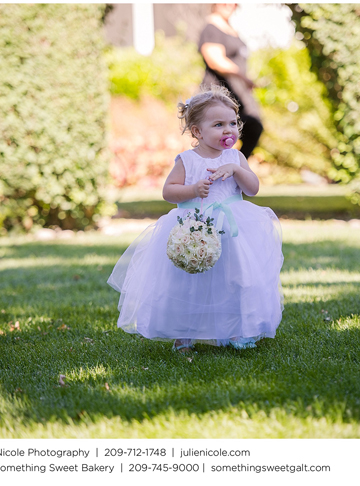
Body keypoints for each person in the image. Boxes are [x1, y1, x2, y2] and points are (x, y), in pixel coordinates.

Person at [107, 86, 283, 353]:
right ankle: (183, 334)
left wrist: (236, 170)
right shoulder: (187, 160)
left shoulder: (235, 157)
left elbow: (253, 189)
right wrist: (192, 190)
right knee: (188, 284)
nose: (228, 130)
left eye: (232, 123)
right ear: (198, 132)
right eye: (218, 125)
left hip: (232, 231)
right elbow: (168, 191)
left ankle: (236, 329)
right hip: (194, 229)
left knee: (235, 279)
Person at [198, 3, 263, 159]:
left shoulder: (230, 29)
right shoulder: (211, 29)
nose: (229, 5)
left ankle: (234, 166)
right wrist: (243, 77)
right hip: (220, 93)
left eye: (233, 2)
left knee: (254, 126)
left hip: (238, 93)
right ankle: (220, 167)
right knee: (221, 134)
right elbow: (215, 60)